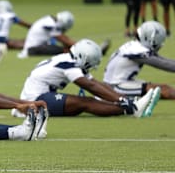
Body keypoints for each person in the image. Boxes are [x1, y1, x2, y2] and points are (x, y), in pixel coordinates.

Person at [17, 39, 161, 118]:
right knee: (85, 102)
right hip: (34, 99)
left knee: (84, 102)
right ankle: (132, 110)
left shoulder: (70, 59)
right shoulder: (69, 64)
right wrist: (122, 101)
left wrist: (122, 97)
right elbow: (90, 86)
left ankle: (132, 106)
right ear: (84, 58)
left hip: (42, 95)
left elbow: (95, 83)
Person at [103, 21, 175, 100]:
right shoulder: (138, 51)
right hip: (115, 86)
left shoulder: (136, 45)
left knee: (161, 89)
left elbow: (162, 59)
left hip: (119, 82)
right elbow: (163, 64)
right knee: (165, 90)